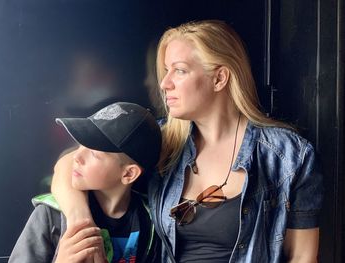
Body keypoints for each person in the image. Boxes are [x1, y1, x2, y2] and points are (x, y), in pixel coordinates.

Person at [51, 20, 323, 263]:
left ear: (219, 78)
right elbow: (68, 166)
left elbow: (302, 255)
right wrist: (81, 222)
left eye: (179, 71)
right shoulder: (163, 142)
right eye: (166, 70)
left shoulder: (289, 155)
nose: (164, 83)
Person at [9, 102, 161, 263]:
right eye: (80, 146)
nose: (76, 157)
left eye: (94, 153)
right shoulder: (50, 215)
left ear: (129, 173)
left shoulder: (151, 221)